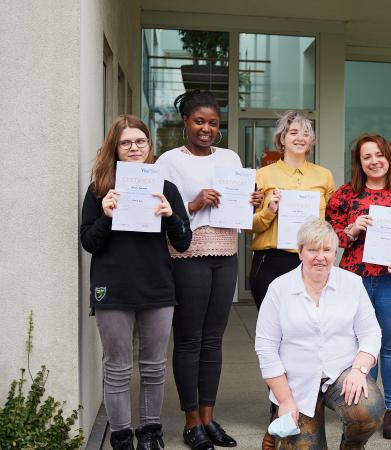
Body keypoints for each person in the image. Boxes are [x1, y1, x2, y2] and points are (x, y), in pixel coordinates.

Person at [155, 90, 263, 450]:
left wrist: (251, 200)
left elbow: (241, 206)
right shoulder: (168, 162)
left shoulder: (231, 158)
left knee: (214, 339)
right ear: (185, 122)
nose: (206, 128)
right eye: (199, 121)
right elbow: (156, 213)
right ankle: (190, 423)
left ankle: (208, 417)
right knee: (189, 339)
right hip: (186, 254)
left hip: (225, 253)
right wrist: (194, 202)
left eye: (213, 123)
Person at [80, 115, 192, 450]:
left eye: (140, 141)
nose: (134, 148)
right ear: (115, 147)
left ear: (149, 145)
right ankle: (121, 436)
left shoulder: (165, 188)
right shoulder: (100, 188)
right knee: (117, 367)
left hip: (157, 287)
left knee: (154, 367)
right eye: (126, 142)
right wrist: (105, 216)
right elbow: (88, 241)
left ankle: (150, 434)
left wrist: (171, 215)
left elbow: (184, 242)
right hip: (112, 288)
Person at [326, 133, 391, 439]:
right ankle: (369, 405)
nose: (374, 161)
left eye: (379, 154)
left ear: (390, 157)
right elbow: (332, 239)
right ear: (359, 162)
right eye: (366, 156)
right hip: (354, 280)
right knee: (361, 347)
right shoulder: (344, 195)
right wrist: (352, 230)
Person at [254, 218, 384, 449]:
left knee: (369, 410)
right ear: (300, 252)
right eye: (313, 249)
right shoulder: (279, 289)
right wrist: (284, 401)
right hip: (296, 382)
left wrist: (359, 370)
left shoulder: (352, 284)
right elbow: (266, 347)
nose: (320, 256)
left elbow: (371, 332)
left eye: (327, 250)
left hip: (341, 373)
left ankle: (352, 446)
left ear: (335, 252)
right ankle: (278, 418)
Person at [250, 111, 334, 309]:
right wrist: (270, 210)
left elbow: (331, 221)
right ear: (282, 139)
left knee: (308, 326)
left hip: (312, 260)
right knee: (272, 328)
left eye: (306, 133)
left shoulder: (325, 176)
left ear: (311, 140)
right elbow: (248, 226)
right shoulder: (261, 176)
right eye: (293, 132)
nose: (300, 138)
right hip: (271, 261)